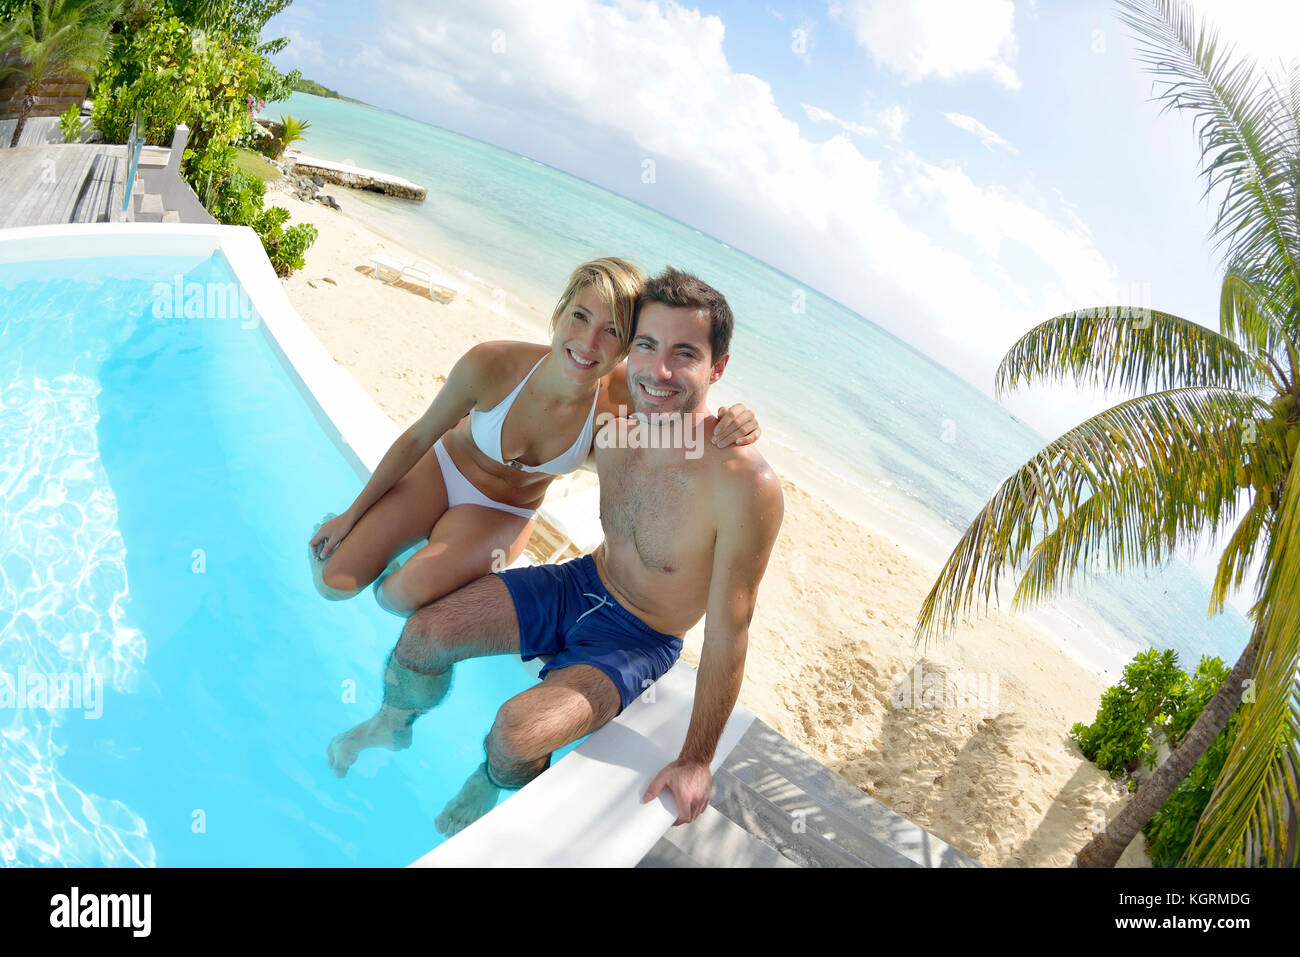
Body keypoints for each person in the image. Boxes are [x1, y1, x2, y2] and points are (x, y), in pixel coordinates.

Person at [328, 266, 784, 837]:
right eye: (645, 344)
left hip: (639, 637)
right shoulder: (616, 426)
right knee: (421, 636)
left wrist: (696, 758)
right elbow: (545, 405)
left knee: (512, 736)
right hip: (577, 583)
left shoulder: (742, 484)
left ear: (717, 368)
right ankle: (395, 721)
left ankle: (490, 783)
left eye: (684, 353)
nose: (659, 370)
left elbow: (729, 629)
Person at [307, 257, 759, 617]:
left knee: (397, 598)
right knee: (334, 585)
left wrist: (736, 419)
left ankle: (427, 554)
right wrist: (350, 515)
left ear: (627, 346)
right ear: (559, 313)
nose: (587, 342)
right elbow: (417, 438)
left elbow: (682, 427)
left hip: (503, 512)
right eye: (579, 317)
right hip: (441, 473)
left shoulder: (626, 395)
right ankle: (400, 539)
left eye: (612, 332)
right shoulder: (494, 364)